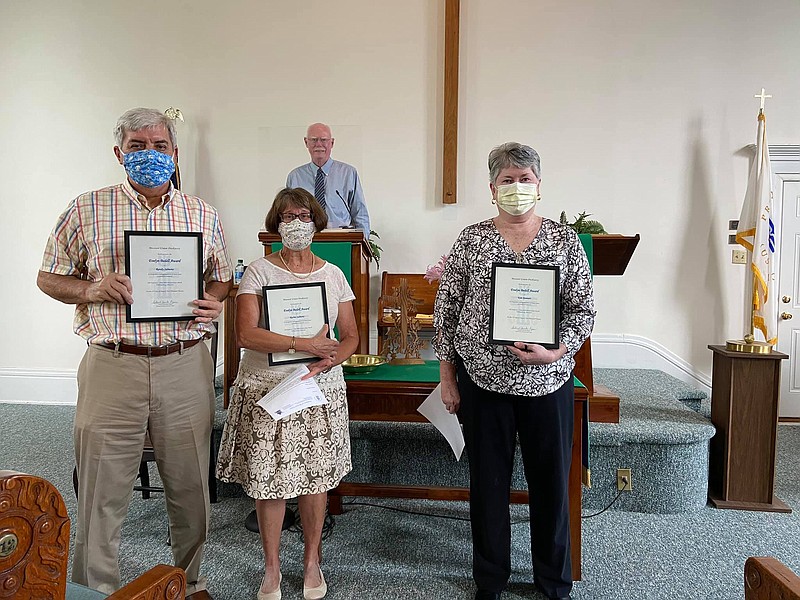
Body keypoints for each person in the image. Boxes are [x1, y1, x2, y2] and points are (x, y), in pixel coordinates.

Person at [37, 107, 232, 599]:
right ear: (119, 153)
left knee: (191, 492)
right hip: (113, 363)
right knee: (102, 492)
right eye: (139, 146)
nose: (150, 154)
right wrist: (92, 288)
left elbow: (223, 275)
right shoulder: (86, 208)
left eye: (160, 146)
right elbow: (48, 277)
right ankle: (95, 590)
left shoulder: (201, 212)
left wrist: (214, 296)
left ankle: (190, 583)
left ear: (175, 153)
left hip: (185, 364)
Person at [433, 142, 595, 600]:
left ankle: (552, 581)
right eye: (508, 180)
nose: (517, 187)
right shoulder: (471, 240)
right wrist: (448, 378)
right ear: (492, 189)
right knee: (488, 488)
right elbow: (448, 310)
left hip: (547, 382)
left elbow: (582, 308)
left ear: (539, 187)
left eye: (526, 179)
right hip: (483, 383)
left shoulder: (564, 241)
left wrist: (557, 351)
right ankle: (490, 579)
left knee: (550, 488)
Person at [216, 187, 359, 600]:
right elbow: (246, 334)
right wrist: (305, 344)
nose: (296, 223)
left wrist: (330, 359)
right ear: (275, 223)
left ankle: (313, 560)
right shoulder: (259, 272)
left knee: (316, 481)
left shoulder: (333, 275)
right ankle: (273, 567)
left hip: (318, 388)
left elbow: (349, 336)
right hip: (269, 389)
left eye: (303, 215)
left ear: (316, 221)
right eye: (287, 216)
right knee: (271, 483)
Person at [286, 122, 370, 233]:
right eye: (314, 140)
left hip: (340, 239)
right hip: (305, 240)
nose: (319, 144)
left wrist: (362, 244)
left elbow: (360, 214)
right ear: (306, 142)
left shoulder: (348, 173)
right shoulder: (295, 177)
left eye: (324, 140)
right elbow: (287, 216)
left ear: (332, 143)